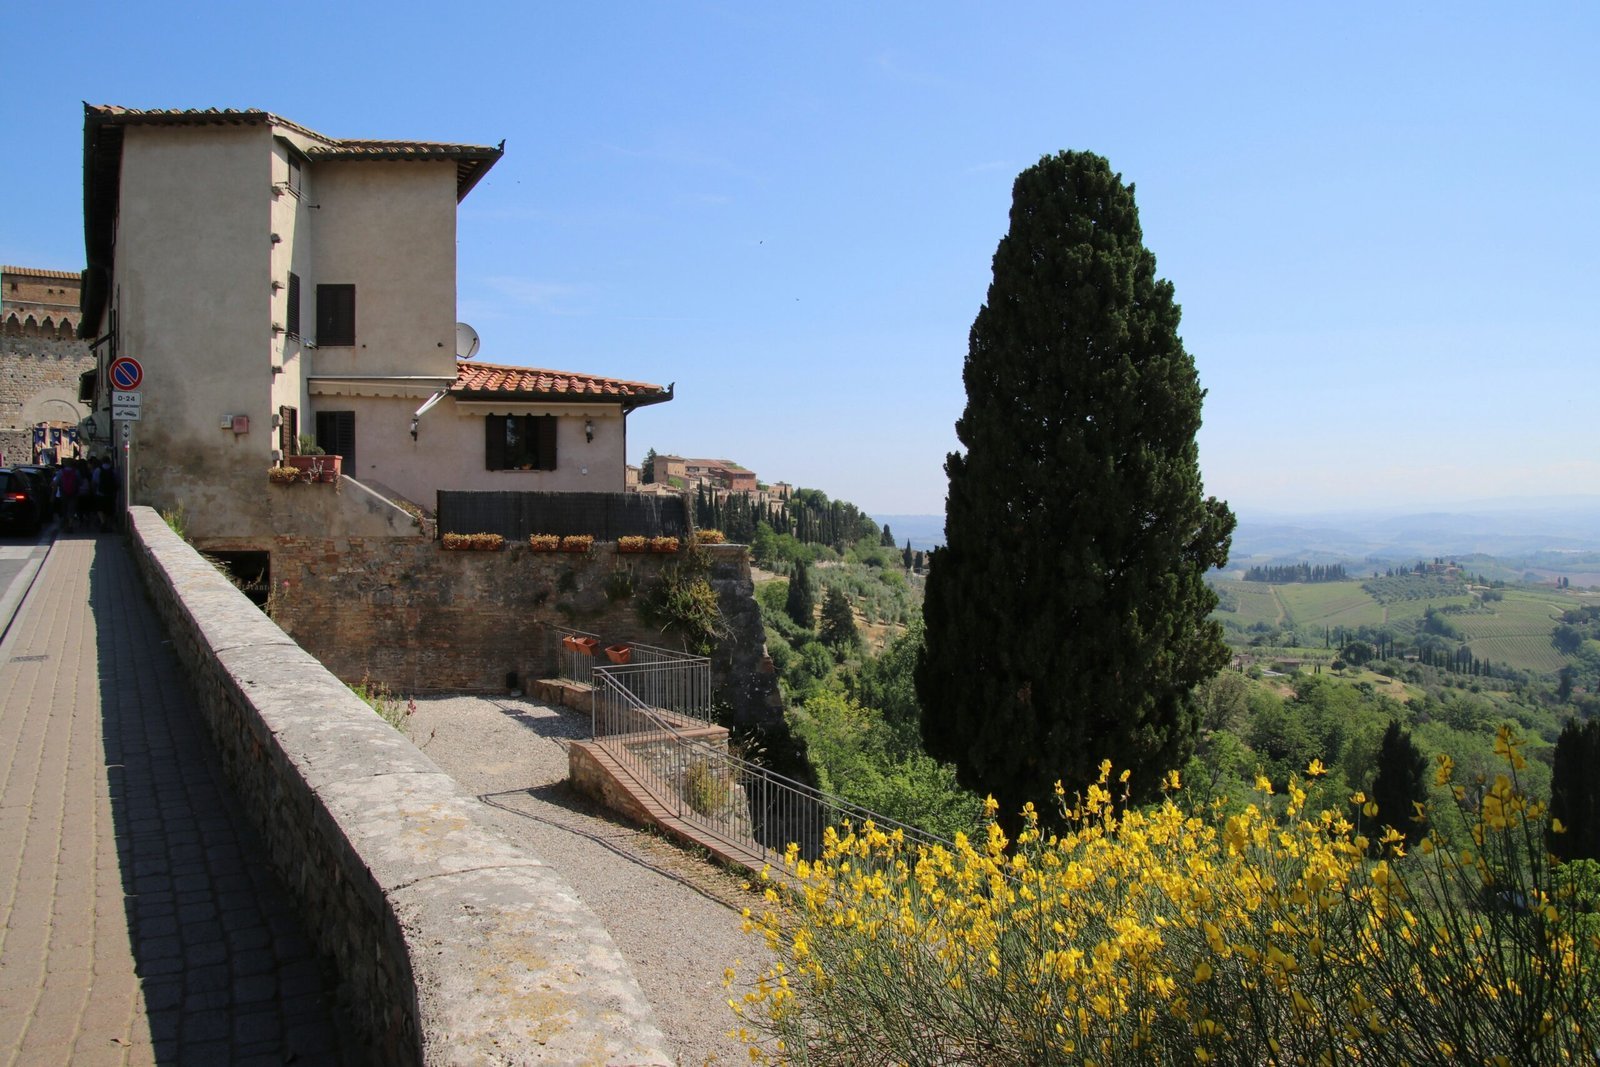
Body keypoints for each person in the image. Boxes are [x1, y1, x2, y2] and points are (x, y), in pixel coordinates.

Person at [95, 457, 119, 531]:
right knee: (110, 509)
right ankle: (109, 525)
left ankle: (103, 522)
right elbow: (117, 481)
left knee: (100, 509)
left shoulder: (98, 470)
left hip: (100, 492)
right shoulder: (113, 470)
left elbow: (95, 481)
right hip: (111, 493)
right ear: (109, 462)